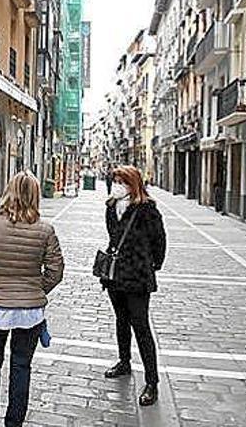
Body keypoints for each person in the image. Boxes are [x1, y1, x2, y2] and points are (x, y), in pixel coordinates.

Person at [0, 172, 65, 427]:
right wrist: (35, 289)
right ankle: (14, 423)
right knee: (21, 366)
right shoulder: (45, 229)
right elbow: (56, 271)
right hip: (30, 312)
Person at [103, 166, 166, 407]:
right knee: (121, 319)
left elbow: (159, 240)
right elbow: (112, 236)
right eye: (115, 180)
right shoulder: (111, 207)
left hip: (138, 275)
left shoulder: (147, 209)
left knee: (140, 325)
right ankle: (124, 361)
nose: (117, 184)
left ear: (133, 184)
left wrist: (152, 265)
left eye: (122, 181)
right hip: (115, 275)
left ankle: (152, 382)